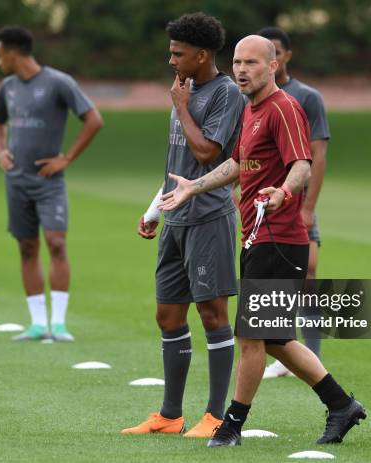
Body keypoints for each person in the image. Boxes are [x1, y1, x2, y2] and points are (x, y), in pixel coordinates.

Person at [159, 35, 365, 447]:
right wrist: (192, 187)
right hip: (257, 236)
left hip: (279, 238)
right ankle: (341, 405)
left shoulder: (284, 108)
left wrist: (283, 194)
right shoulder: (251, 110)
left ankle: (231, 425)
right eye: (236, 61)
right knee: (274, 339)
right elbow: (237, 164)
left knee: (252, 337)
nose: (241, 69)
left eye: (251, 62)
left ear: (273, 66)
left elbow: (302, 165)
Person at [122, 13, 245, 438]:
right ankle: (170, 416)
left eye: (178, 53)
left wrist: (180, 106)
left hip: (209, 218)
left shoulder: (226, 93)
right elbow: (178, 162)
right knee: (167, 314)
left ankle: (214, 415)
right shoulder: (185, 88)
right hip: (175, 218)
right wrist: (154, 210)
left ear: (202, 54)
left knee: (212, 314)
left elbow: (207, 152)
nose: (171, 60)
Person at [0, 26, 103, 342]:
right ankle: (38, 324)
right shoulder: (7, 87)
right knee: (27, 247)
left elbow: (94, 119)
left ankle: (60, 323)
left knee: (56, 243)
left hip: (49, 182)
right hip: (16, 181)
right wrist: (0, 150)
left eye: (0, 55)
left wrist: (65, 158)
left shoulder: (58, 82)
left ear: (13, 53)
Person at [257, 27, 330, 378]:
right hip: (261, 211)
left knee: (308, 276)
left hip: (295, 203)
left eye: (273, 52)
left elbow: (316, 155)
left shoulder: (305, 97)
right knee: (270, 284)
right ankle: (284, 351)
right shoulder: (250, 97)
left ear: (284, 57)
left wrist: (308, 205)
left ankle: (311, 355)